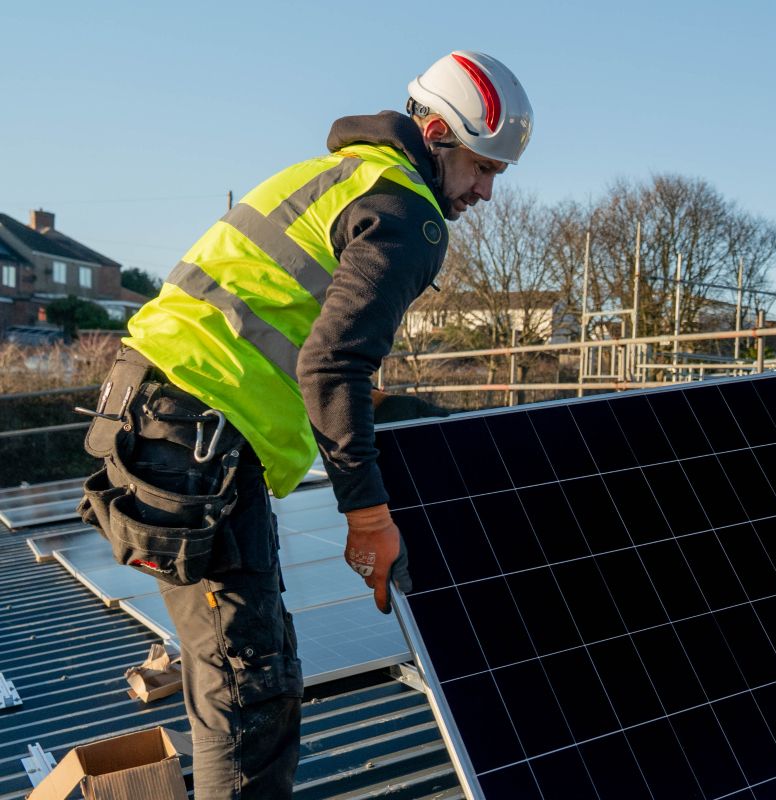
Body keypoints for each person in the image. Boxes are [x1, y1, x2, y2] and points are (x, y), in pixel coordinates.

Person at [75, 51, 531, 798]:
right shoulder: (407, 211)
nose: (485, 192)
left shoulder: (336, 177)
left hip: (155, 419)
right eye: (483, 169)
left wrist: (386, 415)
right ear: (439, 134)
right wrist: (370, 514)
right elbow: (330, 367)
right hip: (195, 440)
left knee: (243, 672)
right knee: (248, 697)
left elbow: (287, 338)